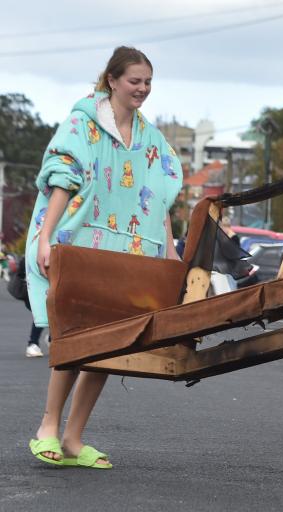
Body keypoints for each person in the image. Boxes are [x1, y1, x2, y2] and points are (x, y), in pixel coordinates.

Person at [26, 46, 182, 468]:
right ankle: (48, 427)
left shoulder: (151, 137)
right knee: (75, 339)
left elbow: (159, 199)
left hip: (129, 250)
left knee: (111, 346)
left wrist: (168, 252)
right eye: (135, 81)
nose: (143, 89)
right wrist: (45, 238)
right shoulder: (83, 123)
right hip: (83, 245)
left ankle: (74, 438)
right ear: (112, 80)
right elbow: (62, 179)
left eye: (148, 82)